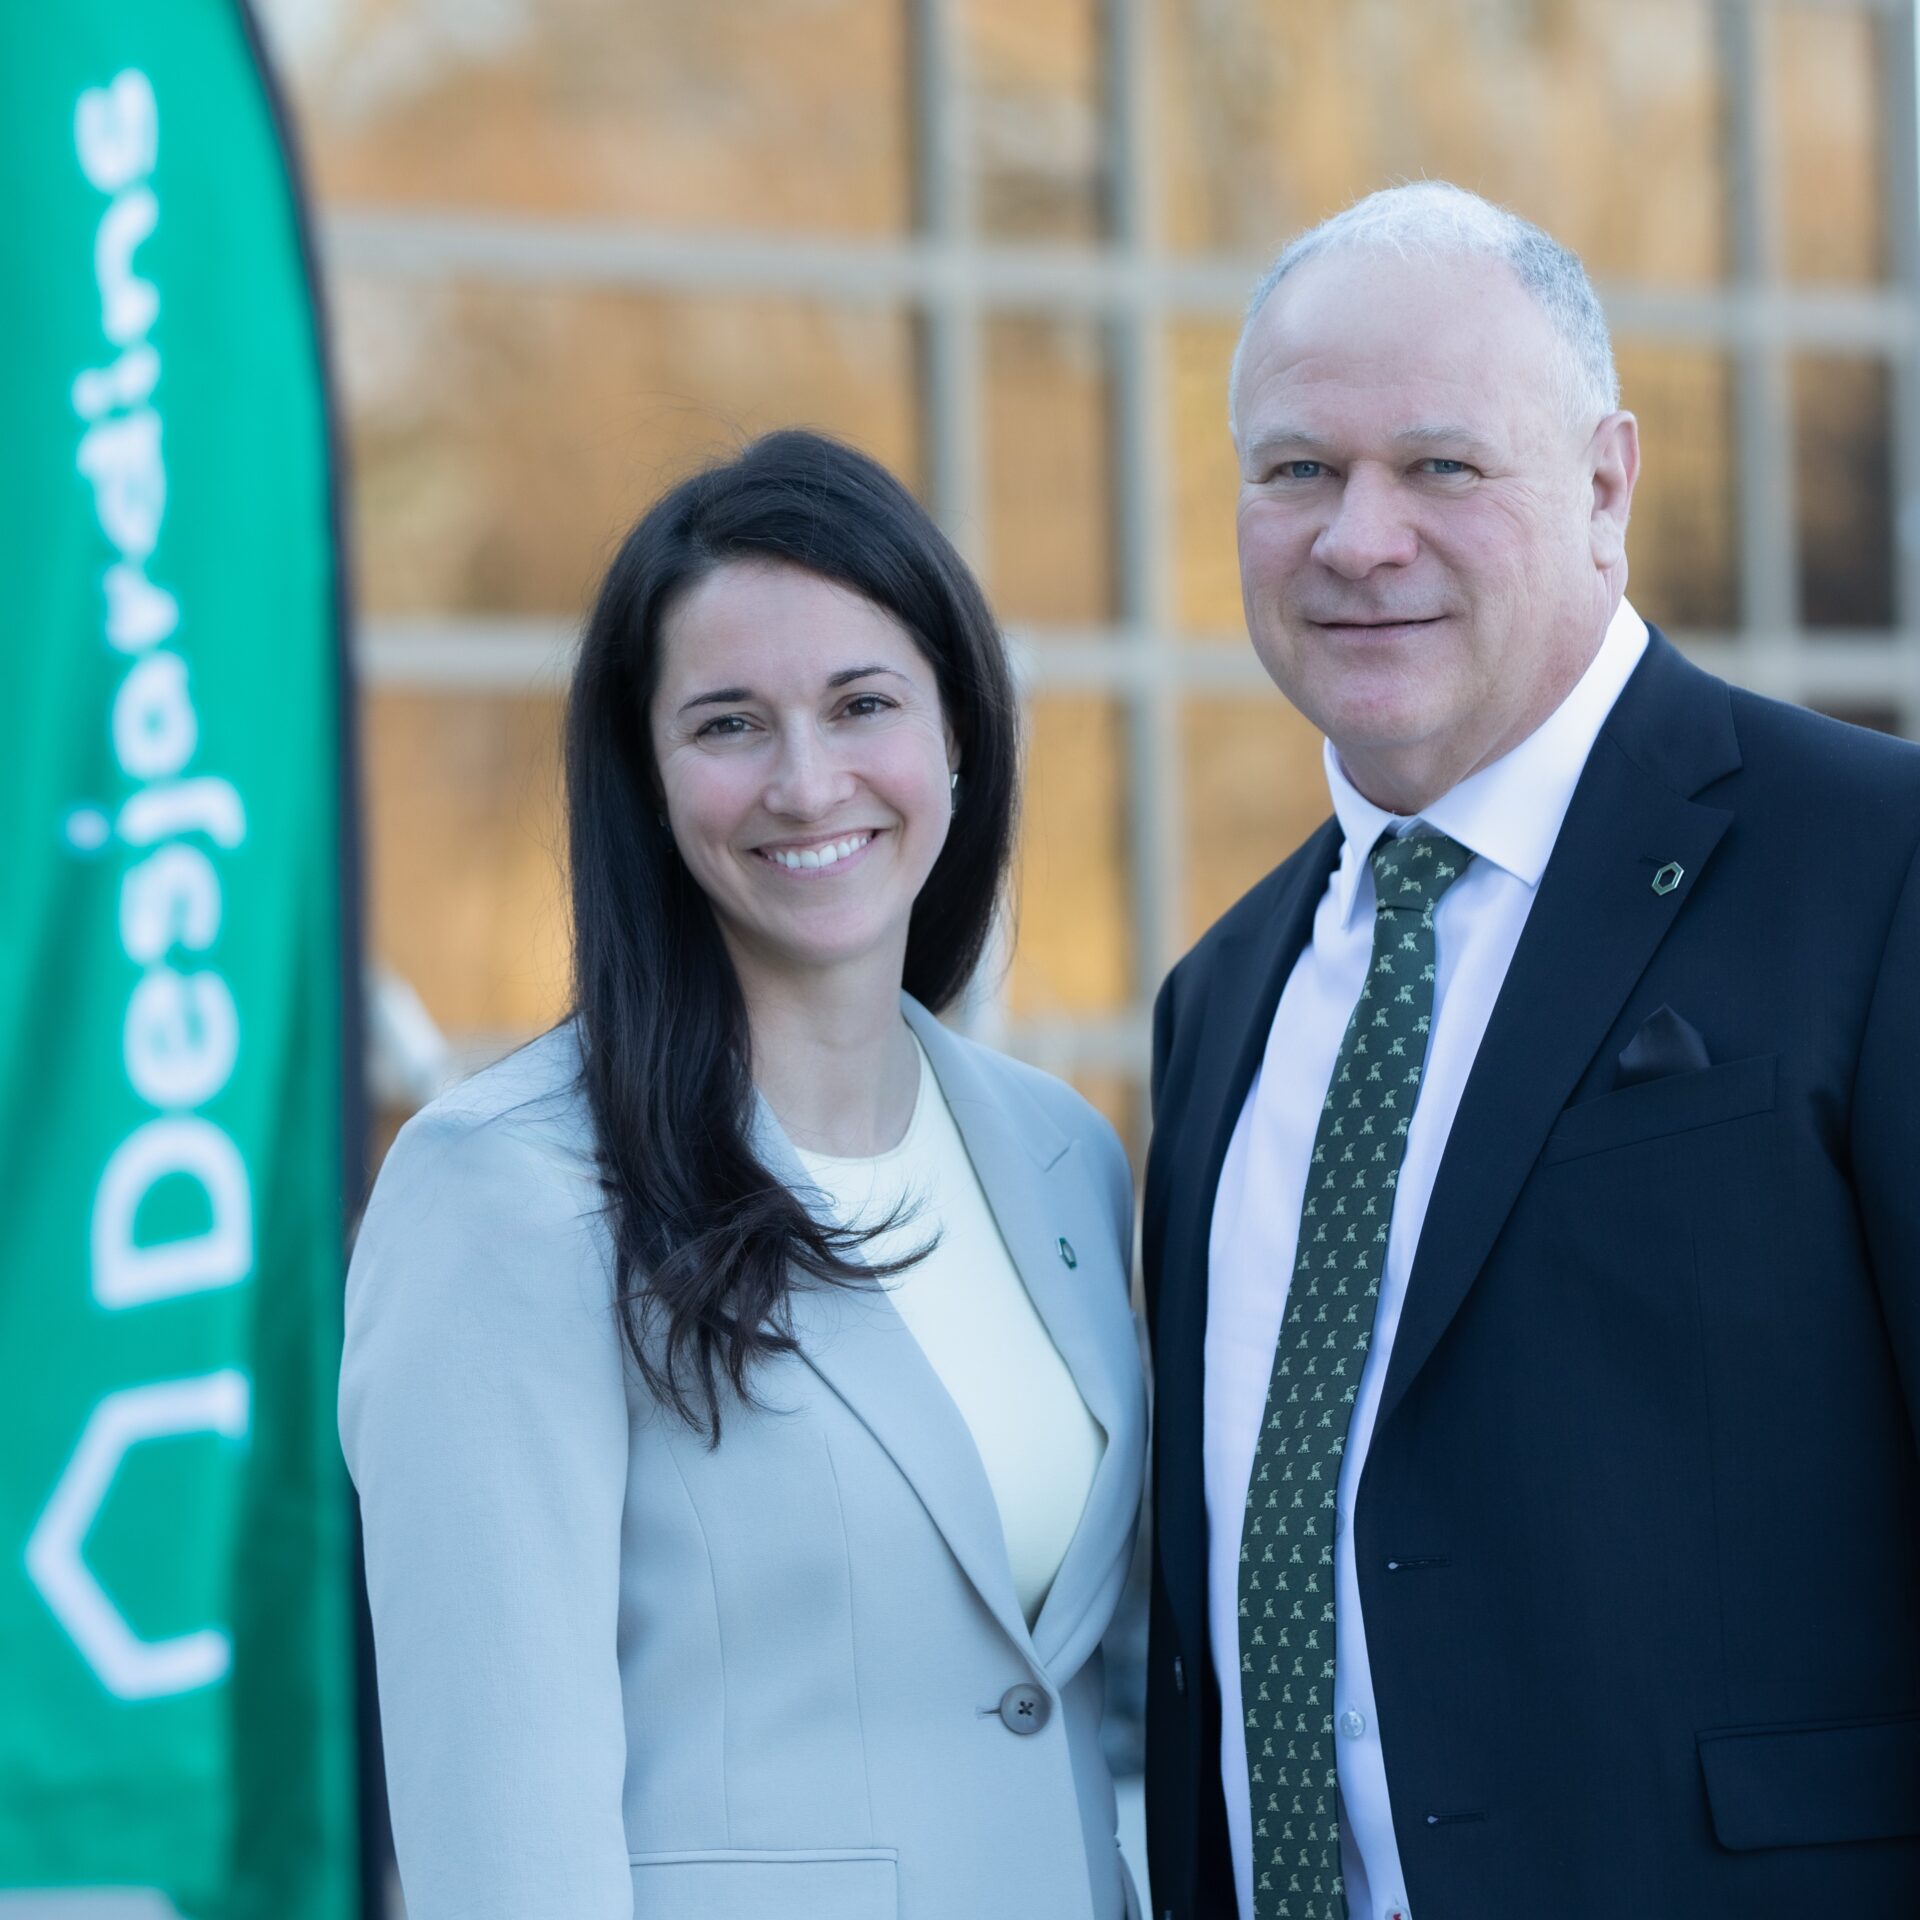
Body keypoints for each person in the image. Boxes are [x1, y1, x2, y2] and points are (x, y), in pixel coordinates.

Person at [1141, 182, 1920, 1920]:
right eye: (1297, 470)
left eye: (1441, 465)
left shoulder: (1874, 871)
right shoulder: (1220, 1000)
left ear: (1605, 486)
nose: (1359, 539)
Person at [341, 430, 1147, 1920]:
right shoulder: (506, 1192)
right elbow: (502, 1831)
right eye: (728, 724)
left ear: (958, 733)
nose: (806, 780)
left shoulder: (1063, 1159)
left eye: (862, 704)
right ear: (647, 780)